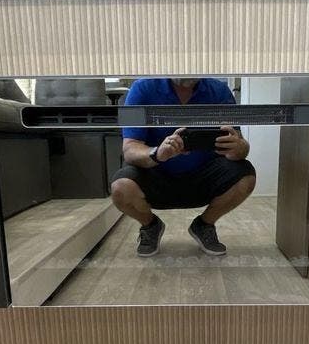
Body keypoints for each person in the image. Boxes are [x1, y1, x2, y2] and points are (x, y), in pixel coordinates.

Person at [110, 77, 256, 257]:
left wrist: (239, 147)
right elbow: (130, 149)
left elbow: (240, 145)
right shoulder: (141, 88)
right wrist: (157, 153)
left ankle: (204, 225)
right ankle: (150, 225)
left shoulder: (219, 90)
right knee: (121, 188)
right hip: (157, 175)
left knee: (245, 176)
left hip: (203, 177)